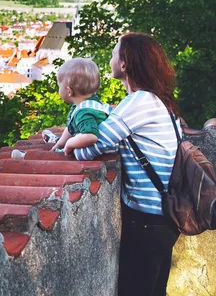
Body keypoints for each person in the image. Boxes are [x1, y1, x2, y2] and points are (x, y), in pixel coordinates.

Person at [72, 33, 181, 296]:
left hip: (147, 221)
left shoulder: (139, 102)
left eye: (113, 53)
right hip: (164, 217)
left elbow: (93, 148)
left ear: (124, 64)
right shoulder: (158, 99)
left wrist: (69, 146)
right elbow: (117, 142)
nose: (109, 59)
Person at [11, 57, 111, 159]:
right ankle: (57, 141)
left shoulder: (84, 113)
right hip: (90, 142)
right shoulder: (90, 103)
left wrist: (69, 143)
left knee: (59, 156)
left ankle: (29, 157)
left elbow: (90, 137)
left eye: (59, 86)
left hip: (91, 150)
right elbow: (71, 127)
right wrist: (61, 143)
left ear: (69, 91)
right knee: (62, 145)